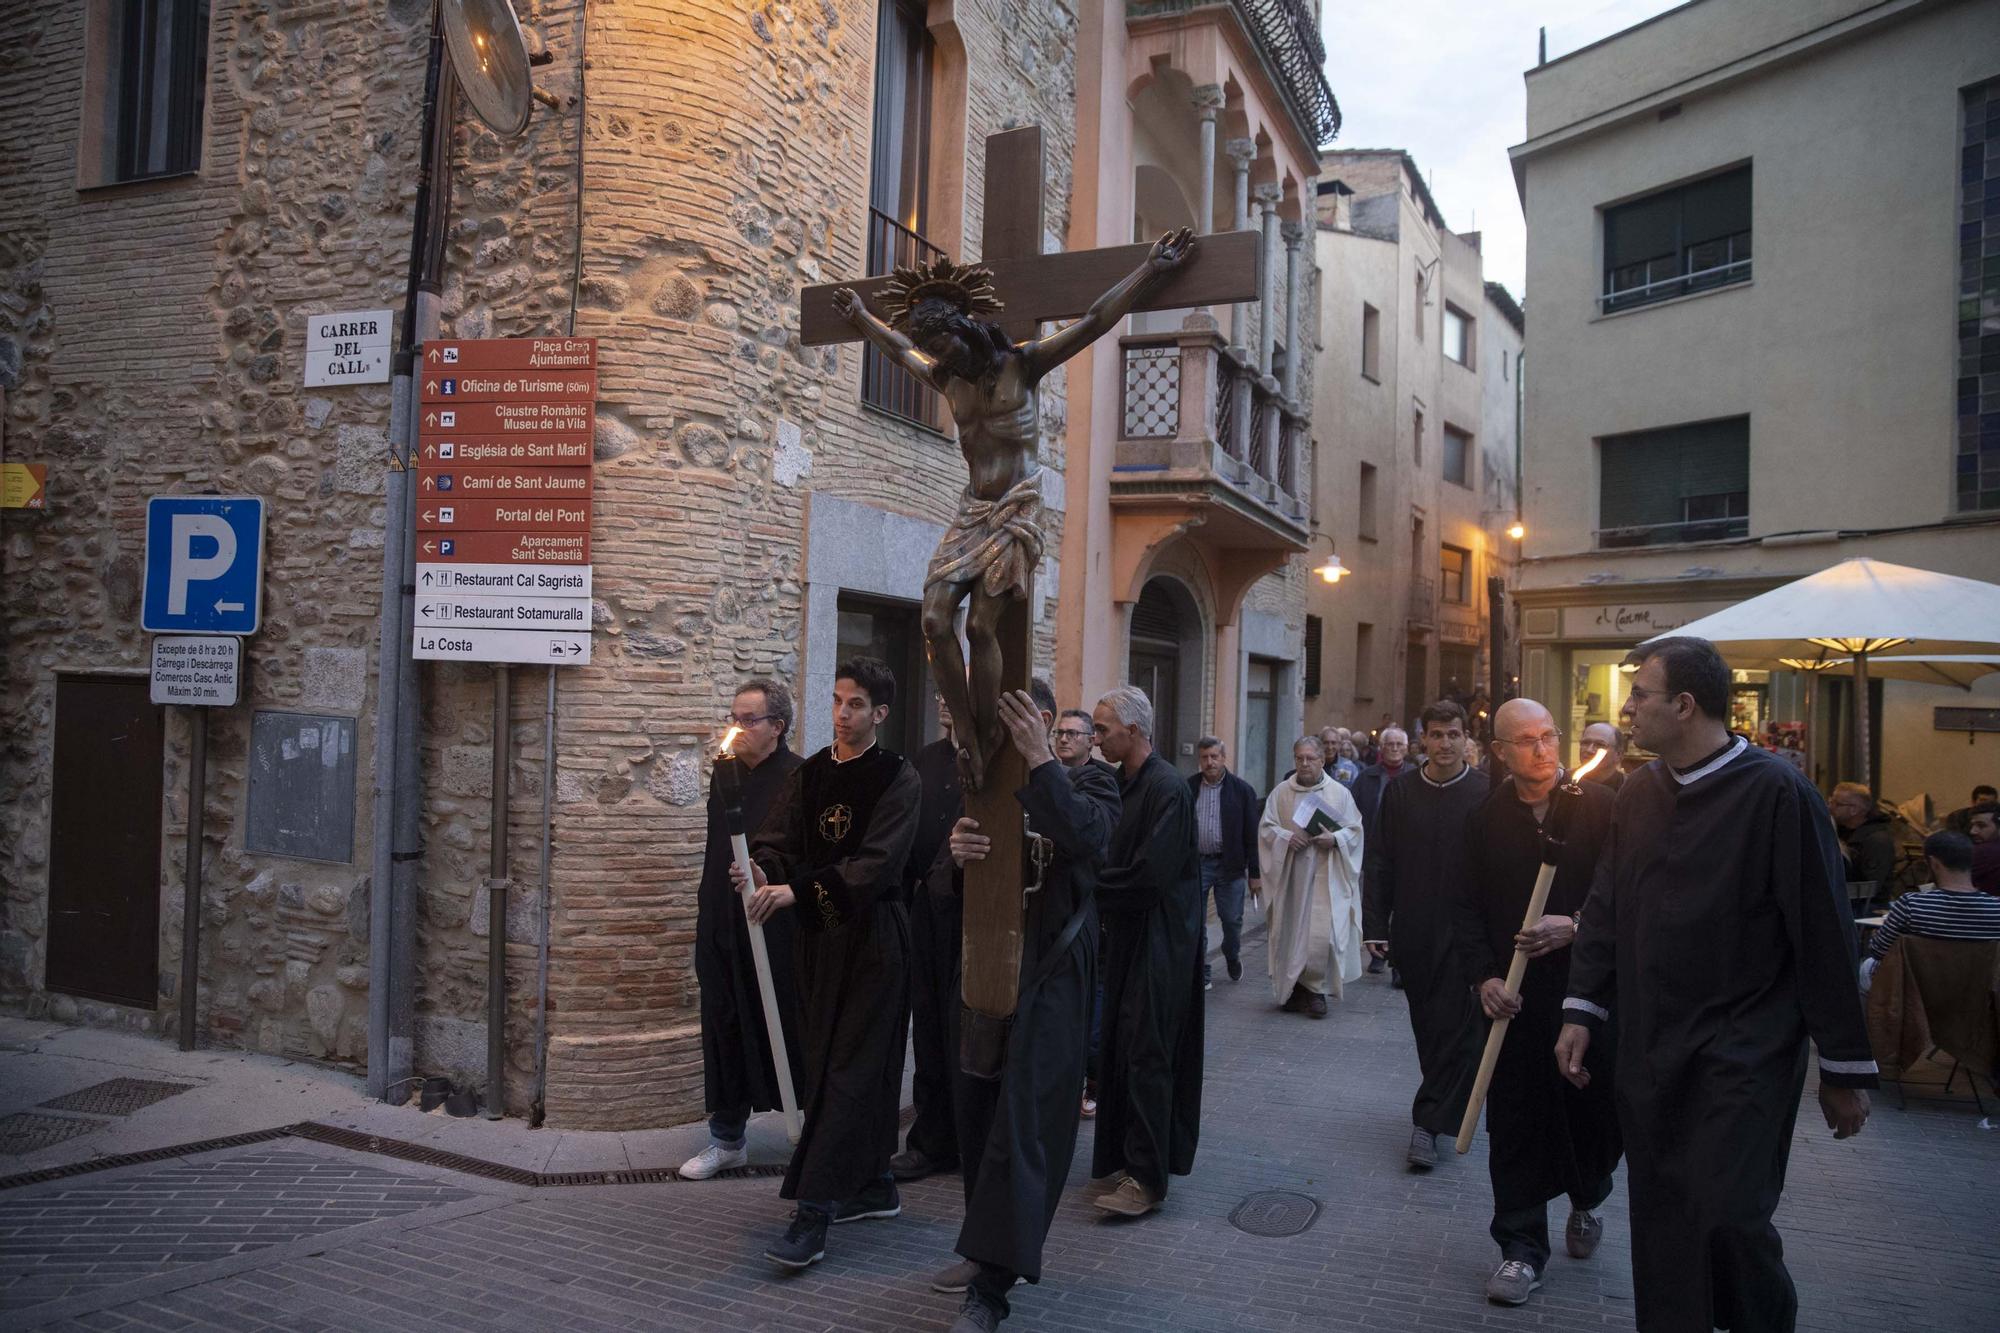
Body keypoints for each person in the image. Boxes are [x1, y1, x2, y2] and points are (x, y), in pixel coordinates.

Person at [1556, 636, 1875, 1333]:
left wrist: (1844, 1066)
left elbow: (1825, 930)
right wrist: (1582, 1007)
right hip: (1650, 1044)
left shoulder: (1778, 793)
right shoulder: (1637, 793)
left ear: (1686, 703)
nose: (1629, 707)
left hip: (1747, 1048)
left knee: (1730, 1211)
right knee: (1664, 1213)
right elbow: (1607, 904)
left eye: (1640, 694)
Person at [831, 231, 1193, 787]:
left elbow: (1094, 320)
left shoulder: (1021, 366)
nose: (943, 355)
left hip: (1016, 509)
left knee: (980, 626)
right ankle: (971, 734)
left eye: (948, 343)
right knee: (932, 619)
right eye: (937, 348)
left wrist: (1149, 270)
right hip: (972, 510)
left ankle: (987, 731)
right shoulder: (947, 379)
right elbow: (900, 352)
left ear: (967, 327)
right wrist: (861, 319)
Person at [932, 681, 1121, 1332]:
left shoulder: (1093, 783)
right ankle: (981, 1246)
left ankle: (990, 1288)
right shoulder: (980, 787)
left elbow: (1089, 839)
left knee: (1024, 1126)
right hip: (988, 971)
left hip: (1052, 976)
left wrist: (1042, 760)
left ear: (1037, 722)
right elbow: (939, 883)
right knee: (979, 1116)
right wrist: (956, 858)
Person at [738, 657, 922, 1270]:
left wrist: (796, 892)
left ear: (881, 713)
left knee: (849, 1070)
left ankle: (812, 1213)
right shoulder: (812, 772)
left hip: (874, 941)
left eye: (857, 705)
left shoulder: (899, 777)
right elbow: (778, 840)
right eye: (838, 701)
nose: (843, 714)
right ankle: (873, 1185)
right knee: (830, 1066)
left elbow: (876, 865)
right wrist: (762, 869)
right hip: (820, 942)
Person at [1459, 699, 1621, 1307]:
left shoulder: (1602, 809)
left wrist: (1575, 925)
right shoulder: (1483, 820)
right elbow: (1465, 907)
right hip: (1516, 1005)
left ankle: (1587, 1196)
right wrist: (1484, 980)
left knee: (1593, 1115)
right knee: (1518, 1122)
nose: (1544, 749)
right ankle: (1520, 1249)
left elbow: (1630, 892)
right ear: (1500, 751)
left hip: (1588, 995)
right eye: (1526, 740)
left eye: (1550, 735)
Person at [683, 679, 808, 1181]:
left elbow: (804, 855)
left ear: (777, 727)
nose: (736, 727)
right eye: (733, 716)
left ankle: (805, 1130)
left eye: (748, 719)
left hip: (773, 921)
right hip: (719, 918)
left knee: (785, 1023)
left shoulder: (802, 778)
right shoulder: (725, 774)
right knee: (723, 1023)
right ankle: (727, 1137)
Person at [1088, 684, 1203, 1218]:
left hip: (1160, 944)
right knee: (1120, 1050)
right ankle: (1126, 1158)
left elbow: (1150, 874)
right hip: (1127, 938)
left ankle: (1147, 1179)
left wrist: (1090, 887)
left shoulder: (1169, 789)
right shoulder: (1119, 783)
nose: (1095, 739)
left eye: (1103, 729)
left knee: (1149, 1053)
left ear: (1134, 732)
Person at [1362, 701, 1489, 1169]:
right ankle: (1442, 1108)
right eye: (1436, 735)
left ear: (1465, 739)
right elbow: (1380, 861)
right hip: (1414, 930)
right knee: (1429, 1026)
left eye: (1453, 734)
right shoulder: (1401, 793)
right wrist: (1375, 924)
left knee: (1463, 1027)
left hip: (1469, 933)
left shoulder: (1486, 792)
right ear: (1424, 742)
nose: (1445, 744)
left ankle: (1427, 1123)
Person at [893, 697, 965, 1182]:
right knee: (931, 1027)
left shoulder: (994, 761)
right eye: (936, 691)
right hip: (926, 911)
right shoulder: (926, 758)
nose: (940, 700)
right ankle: (931, 1140)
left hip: (973, 913)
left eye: (949, 690)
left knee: (966, 1030)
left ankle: (969, 1136)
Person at [1256, 736, 1365, 1018]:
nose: (1304, 764)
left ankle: (1317, 993)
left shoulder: (1340, 794)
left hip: (1326, 875)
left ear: (1322, 760)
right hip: (1291, 878)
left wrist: (1336, 839)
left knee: (1323, 936)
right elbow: (1266, 829)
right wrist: (1285, 837)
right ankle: (1296, 991)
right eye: (1299, 758)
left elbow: (1355, 831)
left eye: (1310, 758)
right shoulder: (1280, 793)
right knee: (1291, 934)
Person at [1862, 831, 2000, 974]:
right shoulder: (1996, 908)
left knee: (1867, 967)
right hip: (1979, 991)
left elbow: (1878, 951)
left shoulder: (1911, 904)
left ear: (1934, 863)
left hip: (1917, 990)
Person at [1189, 738, 1260, 988]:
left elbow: (1252, 835)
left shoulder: (1241, 791)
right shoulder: (1189, 787)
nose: (1209, 762)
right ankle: (1203, 971)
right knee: (1195, 920)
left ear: (1223, 758)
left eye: (1214, 757)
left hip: (1230, 866)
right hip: (1197, 864)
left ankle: (1232, 955)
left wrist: (1255, 873)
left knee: (1231, 920)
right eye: (1205, 757)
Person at [1351, 725, 1411, 976]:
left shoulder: (1415, 776)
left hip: (1407, 851)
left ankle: (1398, 961)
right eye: (1390, 744)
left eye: (1399, 745)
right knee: (1375, 902)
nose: (1394, 749)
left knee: (1402, 907)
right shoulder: (1366, 777)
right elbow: (1352, 812)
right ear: (1381, 748)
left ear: (1406, 749)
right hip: (1373, 849)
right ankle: (1377, 952)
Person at [1830, 782, 1898, 901]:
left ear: (1854, 810)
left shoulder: (1877, 841)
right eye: (1830, 801)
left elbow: (1870, 887)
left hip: (1868, 909)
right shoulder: (1842, 832)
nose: (1830, 807)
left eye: (1837, 804)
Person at [1576, 722, 1626, 793]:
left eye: (1600, 745)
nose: (1589, 750)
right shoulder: (1564, 781)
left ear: (1619, 754)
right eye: (1585, 743)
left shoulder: (1630, 787)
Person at [1968, 802, 2000, 895]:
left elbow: (1949, 882)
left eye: (1981, 825)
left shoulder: (1984, 851)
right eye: (1973, 825)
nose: (1973, 831)